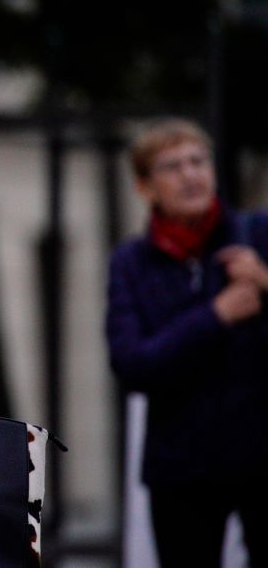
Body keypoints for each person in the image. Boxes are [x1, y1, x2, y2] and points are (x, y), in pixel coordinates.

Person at [106, 118, 268, 567]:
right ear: (146, 187)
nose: (190, 174)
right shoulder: (131, 264)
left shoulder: (258, 237)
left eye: (198, 160)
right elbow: (131, 364)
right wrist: (216, 315)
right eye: (171, 166)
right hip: (182, 469)